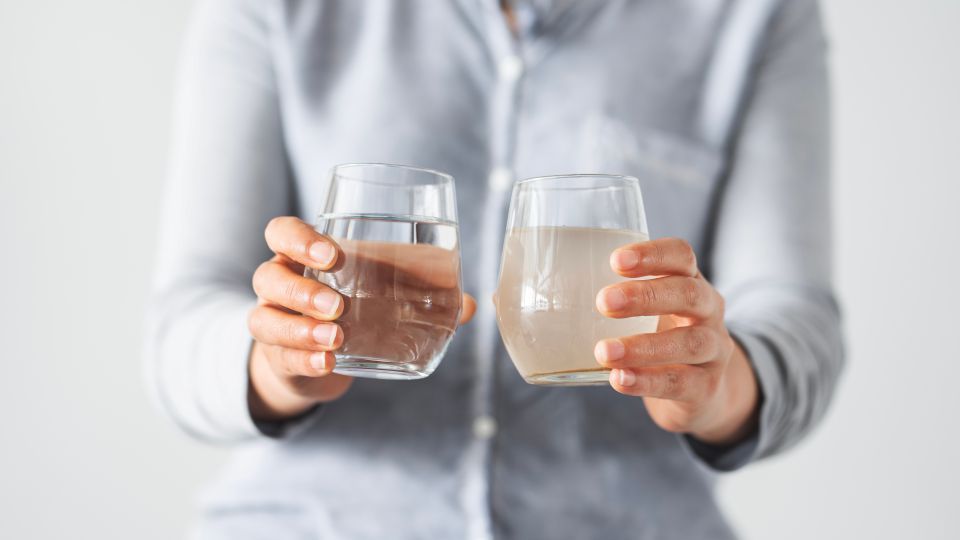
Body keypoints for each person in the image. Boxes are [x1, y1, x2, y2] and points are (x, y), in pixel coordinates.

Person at [144, 0, 844, 538]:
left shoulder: (751, 14)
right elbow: (183, 322)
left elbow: (795, 311)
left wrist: (722, 387)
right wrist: (275, 364)